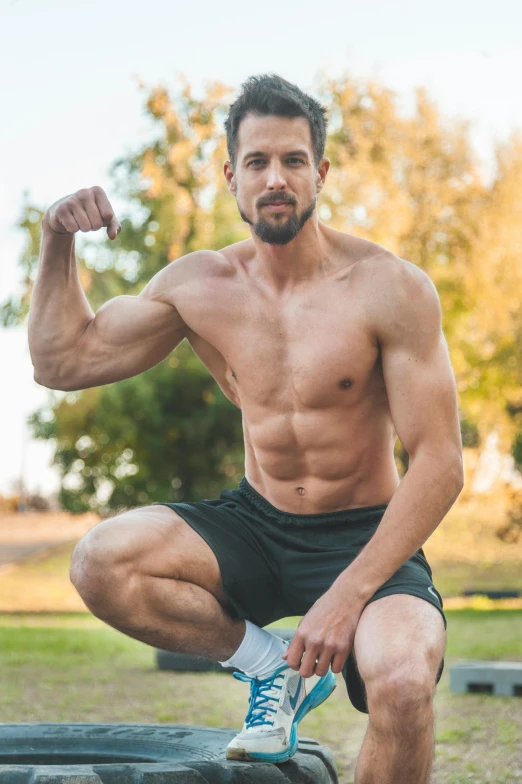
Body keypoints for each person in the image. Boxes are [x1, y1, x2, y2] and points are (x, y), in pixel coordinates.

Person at [29, 74, 463, 783]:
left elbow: (441, 463)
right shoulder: (198, 286)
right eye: (257, 162)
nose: (276, 178)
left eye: (294, 160)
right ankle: (272, 671)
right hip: (256, 525)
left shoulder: (391, 287)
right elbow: (62, 362)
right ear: (231, 177)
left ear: (320, 173)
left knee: (404, 683)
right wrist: (55, 241)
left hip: (364, 533)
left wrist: (348, 595)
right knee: (100, 561)